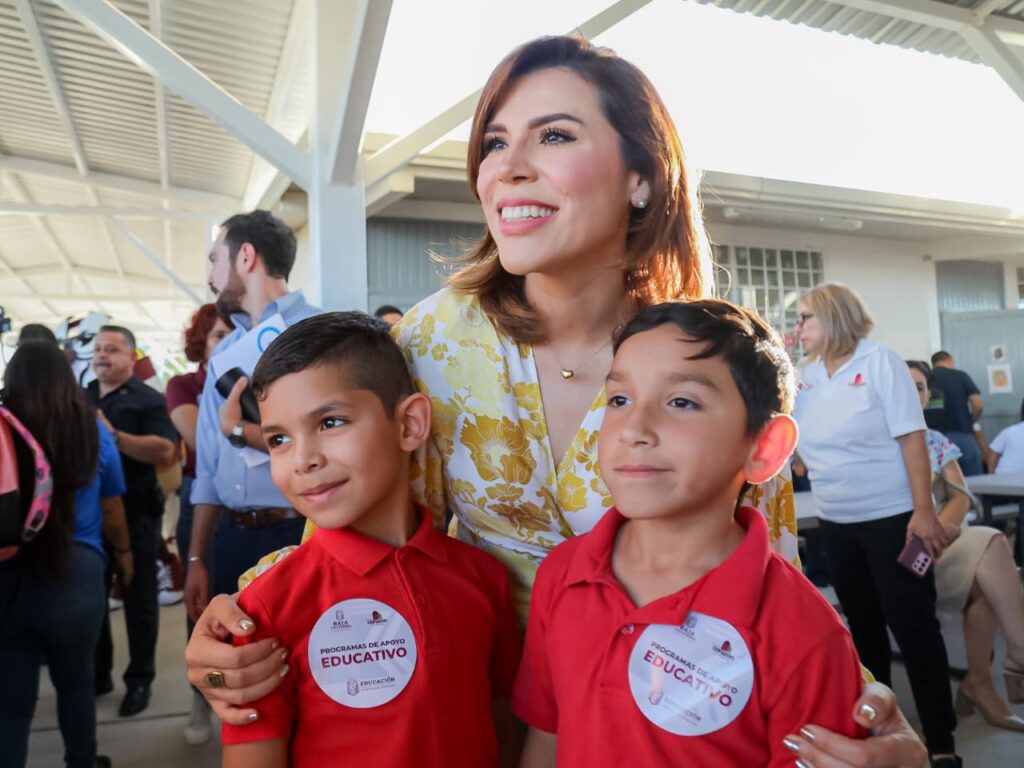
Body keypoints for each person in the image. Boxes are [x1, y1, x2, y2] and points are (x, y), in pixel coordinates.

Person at [185, 36, 927, 767]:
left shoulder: (709, 359)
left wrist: (856, 726)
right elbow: (358, 534)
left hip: (672, 717)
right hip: (471, 704)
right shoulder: (434, 346)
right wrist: (246, 624)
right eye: (496, 142)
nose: (507, 168)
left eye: (555, 136)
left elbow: (771, 578)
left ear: (642, 175)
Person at [514, 300, 866, 766]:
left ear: (764, 446)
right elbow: (547, 737)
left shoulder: (804, 634)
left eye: (682, 402)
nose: (634, 429)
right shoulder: (563, 574)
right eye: (619, 400)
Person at [217, 312, 521, 767]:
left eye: (331, 422)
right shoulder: (267, 606)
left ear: (409, 425)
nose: (302, 460)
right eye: (279, 438)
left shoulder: (483, 577)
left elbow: (504, 729)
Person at [794, 283, 960, 766]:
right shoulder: (804, 376)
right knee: (861, 635)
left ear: (834, 317)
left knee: (914, 628)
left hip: (894, 522)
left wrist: (923, 511)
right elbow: (796, 447)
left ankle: (942, 744)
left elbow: (912, 439)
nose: (798, 328)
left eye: (806, 318)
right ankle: (877, 735)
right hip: (837, 522)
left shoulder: (879, 362)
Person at [0, 342, 133, 768]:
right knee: (76, 686)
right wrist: (126, 555)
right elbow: (113, 508)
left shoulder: (3, 429)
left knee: (11, 704)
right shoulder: (91, 429)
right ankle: (82, 761)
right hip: (77, 576)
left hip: (8, 575)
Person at [183, 211, 319, 626]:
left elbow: (327, 445)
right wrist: (195, 557)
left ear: (245, 256)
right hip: (231, 540)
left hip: (302, 536)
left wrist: (239, 431)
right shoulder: (223, 354)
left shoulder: (321, 332)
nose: (210, 276)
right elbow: (208, 467)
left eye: (214, 260)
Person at [907, 360, 1024, 732]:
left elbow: (960, 497)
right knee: (991, 549)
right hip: (896, 556)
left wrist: (934, 534)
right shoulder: (872, 443)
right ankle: (1012, 659)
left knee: (988, 563)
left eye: (921, 388)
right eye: (907, 386)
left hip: (936, 544)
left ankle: (982, 682)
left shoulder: (935, 440)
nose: (915, 394)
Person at [86, 324, 179, 718]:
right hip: (91, 516)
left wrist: (114, 436)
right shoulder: (82, 396)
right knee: (93, 599)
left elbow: (164, 449)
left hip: (137, 513)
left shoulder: (148, 399)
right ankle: (99, 673)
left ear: (131, 356)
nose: (101, 355)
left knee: (139, 597)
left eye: (111, 349)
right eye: (97, 348)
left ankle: (139, 680)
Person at [165, 303, 234, 745]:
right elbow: (198, 440)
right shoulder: (185, 385)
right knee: (203, 604)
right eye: (217, 335)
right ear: (201, 344)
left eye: (233, 332)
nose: (227, 341)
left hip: (246, 506)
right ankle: (201, 698)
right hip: (201, 498)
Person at [930, 351, 984, 477]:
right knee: (975, 483)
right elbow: (978, 405)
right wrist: (971, 420)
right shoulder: (961, 376)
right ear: (949, 361)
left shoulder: (928, 378)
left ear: (933, 364)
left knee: (944, 486)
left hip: (935, 440)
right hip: (963, 436)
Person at [986, 398, 1024, 474]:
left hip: (1003, 478)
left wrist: (991, 476)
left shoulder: (1010, 430)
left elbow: (992, 453)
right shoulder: (1010, 431)